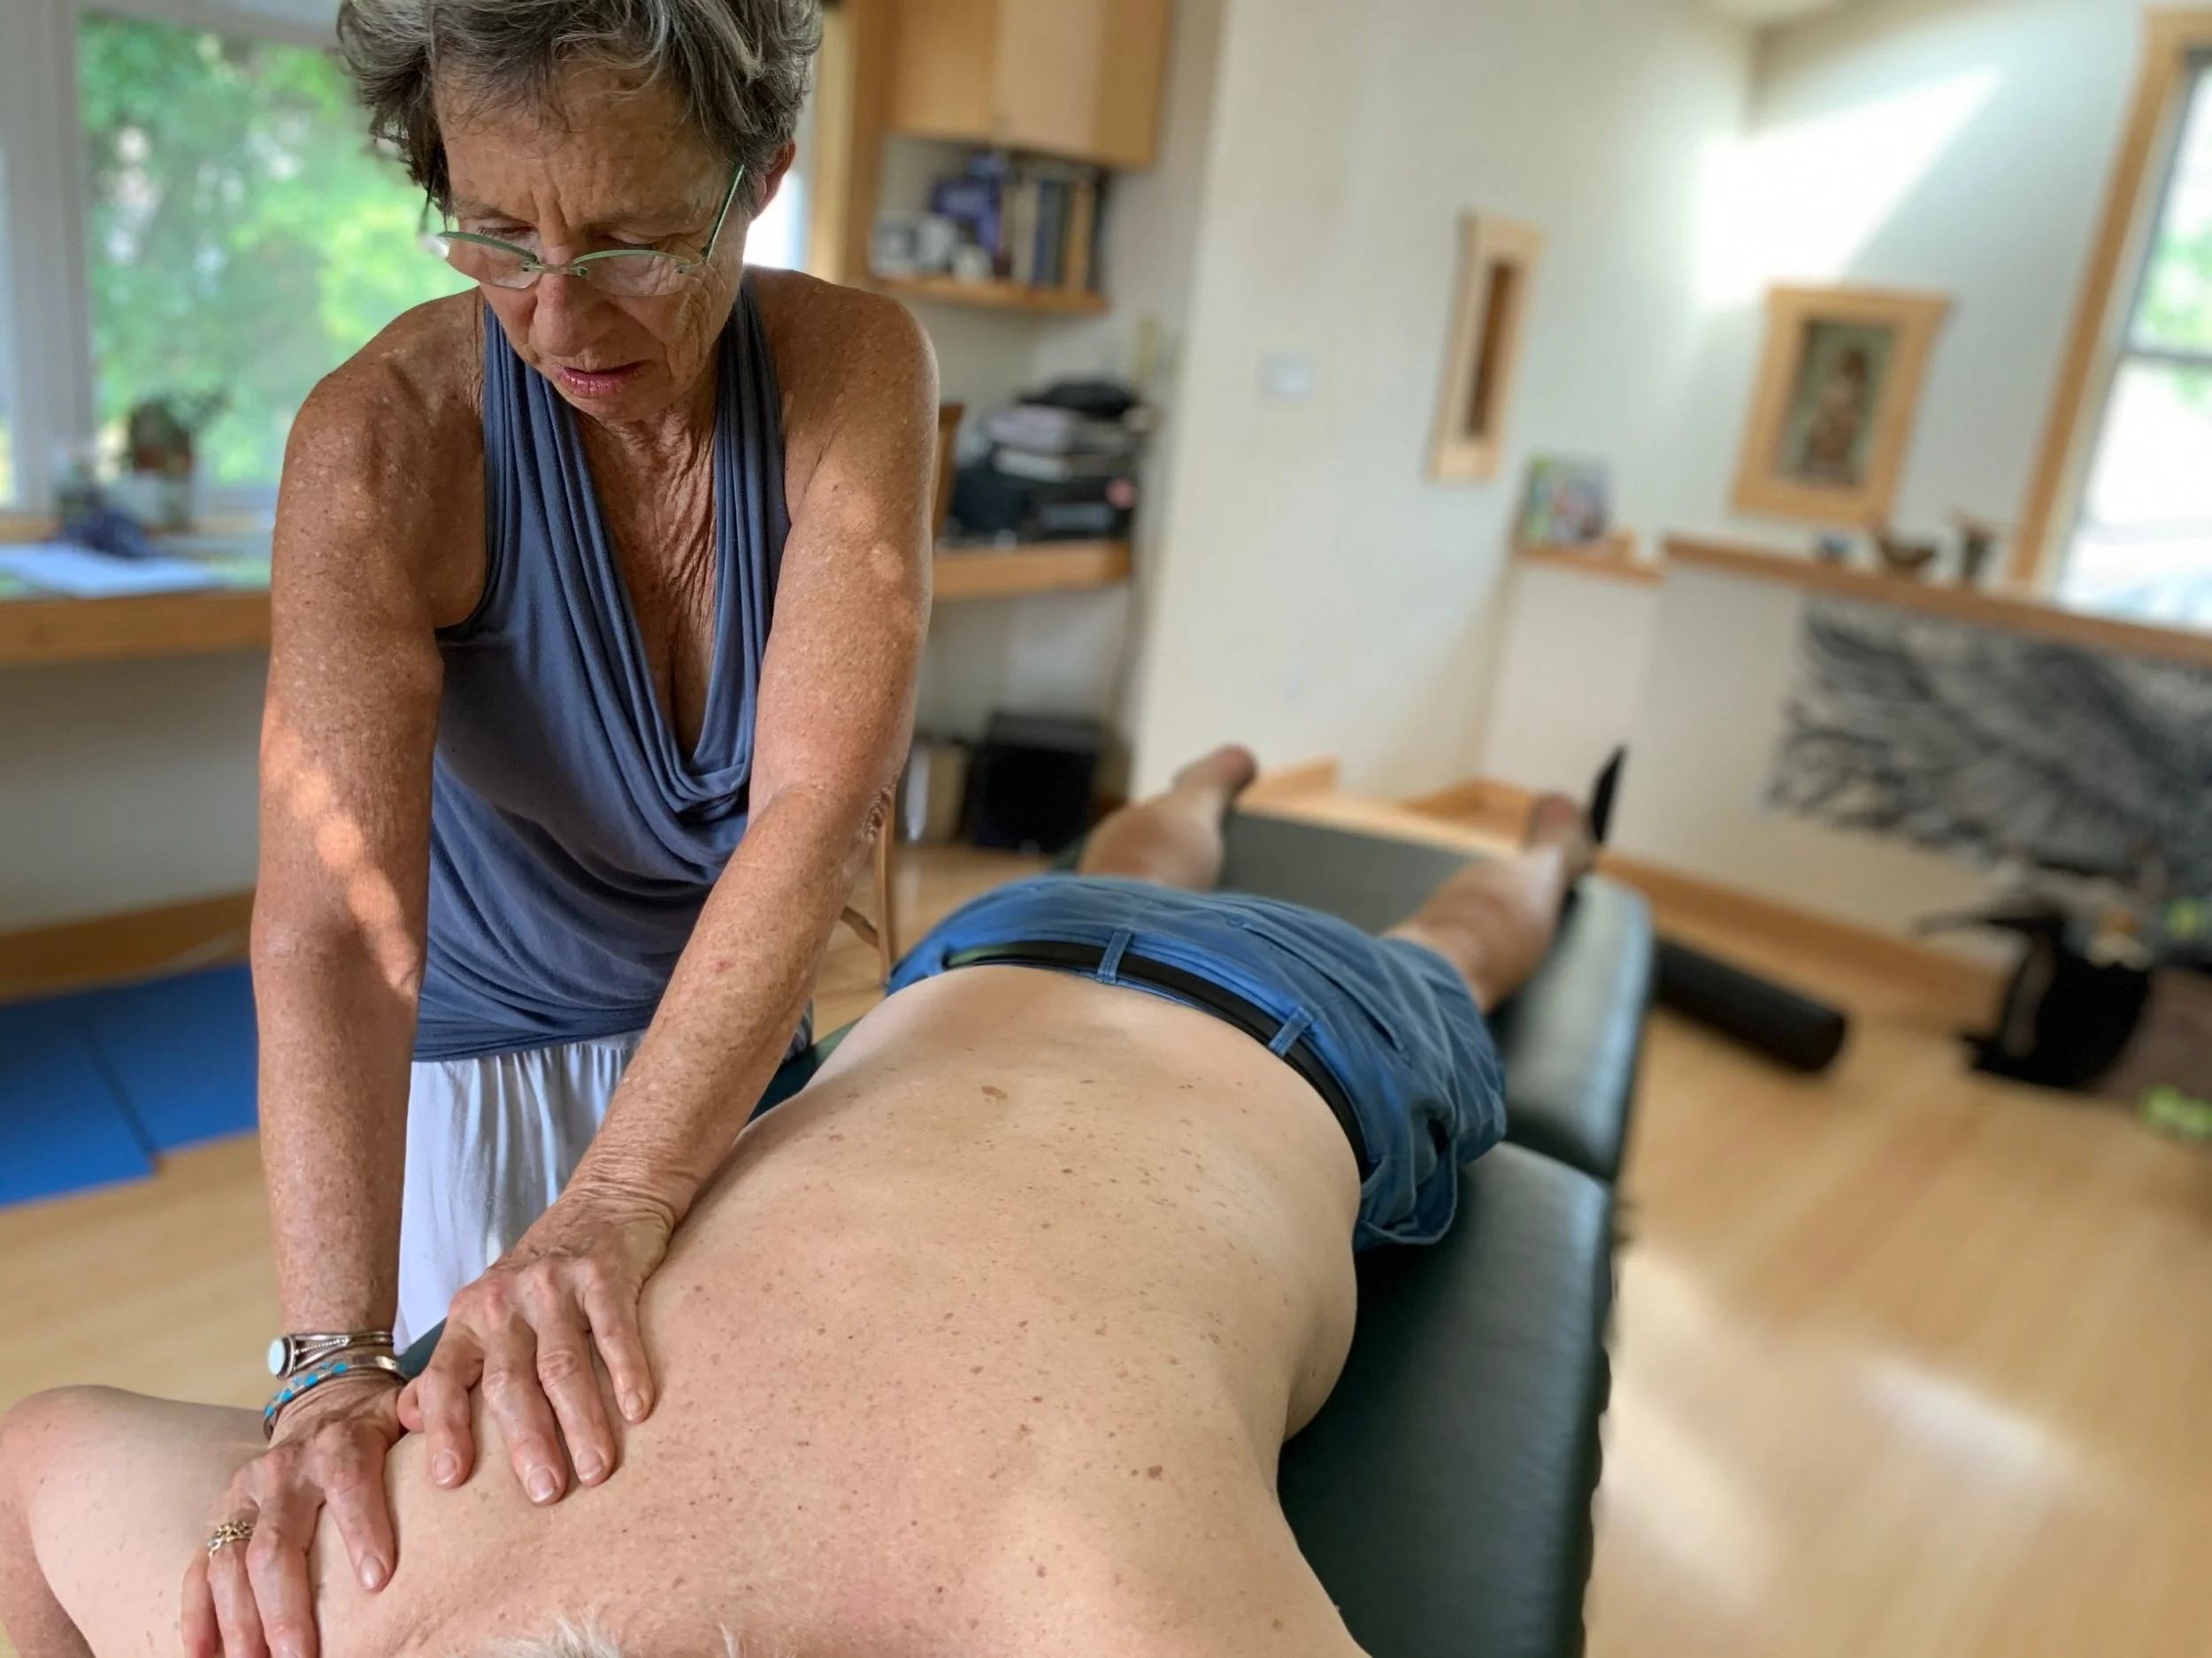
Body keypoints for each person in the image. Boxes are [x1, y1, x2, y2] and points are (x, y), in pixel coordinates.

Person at [0, 748, 1597, 1658]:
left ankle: (1508, 839)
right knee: (1307, 902)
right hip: (1016, 981)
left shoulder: (1079, 1581)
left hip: (1202, 1014)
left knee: (1449, 939)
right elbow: (38, 1457)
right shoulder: (346, 1593)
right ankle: (1294, 798)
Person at [241, 0, 933, 1639]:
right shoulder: (383, 439)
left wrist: (620, 1200)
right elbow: (333, 928)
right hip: (479, 1060)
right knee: (488, 1551)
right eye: (496, 234)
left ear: (761, 177)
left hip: (730, 1035)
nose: (556, 315)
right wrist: (327, 1364)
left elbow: (816, 811)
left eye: (630, 243)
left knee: (762, 1513)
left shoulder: (853, 367)